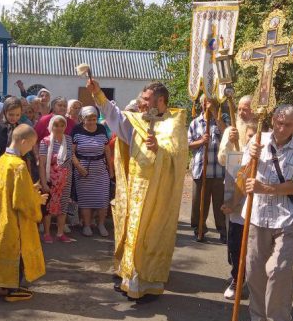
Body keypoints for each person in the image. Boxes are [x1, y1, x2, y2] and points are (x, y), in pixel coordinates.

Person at [88, 78, 188, 300]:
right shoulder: (138, 121)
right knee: (132, 233)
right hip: (135, 189)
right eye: (142, 98)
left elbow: (180, 159)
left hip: (157, 194)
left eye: (146, 99)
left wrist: (160, 150)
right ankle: (129, 280)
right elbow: (115, 117)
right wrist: (99, 95)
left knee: (150, 236)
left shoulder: (174, 123)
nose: (142, 103)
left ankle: (148, 284)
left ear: (160, 100)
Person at [241, 104, 293, 321]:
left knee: (280, 269)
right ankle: (258, 315)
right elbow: (242, 177)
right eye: (279, 123)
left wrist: (267, 189)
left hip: (287, 215)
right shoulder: (257, 139)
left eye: (288, 124)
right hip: (257, 214)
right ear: (272, 120)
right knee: (254, 268)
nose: (282, 128)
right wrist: (250, 157)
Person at [0, 124, 49, 301]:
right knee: (18, 253)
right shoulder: (19, 166)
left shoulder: (3, 160)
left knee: (5, 252)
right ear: (23, 141)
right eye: (31, 145)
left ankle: (5, 286)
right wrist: (38, 200)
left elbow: (11, 190)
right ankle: (12, 289)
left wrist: (30, 188)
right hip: (14, 220)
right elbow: (21, 201)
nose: (31, 149)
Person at [217, 95, 255, 300]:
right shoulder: (230, 131)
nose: (241, 113)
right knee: (235, 239)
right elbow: (223, 160)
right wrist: (230, 144)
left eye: (246, 109)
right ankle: (236, 277)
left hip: (255, 193)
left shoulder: (263, 132)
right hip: (234, 189)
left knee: (254, 242)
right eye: (239, 109)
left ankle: (253, 279)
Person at [188, 96, 228, 242]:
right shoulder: (195, 123)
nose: (207, 105)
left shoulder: (222, 119)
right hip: (201, 169)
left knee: (220, 203)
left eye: (210, 102)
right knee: (199, 203)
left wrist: (215, 112)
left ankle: (223, 230)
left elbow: (227, 134)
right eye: (205, 102)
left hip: (219, 170)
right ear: (200, 105)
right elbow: (187, 144)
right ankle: (199, 229)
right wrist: (201, 141)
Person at [72, 106, 112, 237]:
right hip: (83, 170)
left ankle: (101, 224)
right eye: (88, 119)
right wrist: (78, 167)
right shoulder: (77, 130)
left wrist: (110, 169)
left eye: (94, 119)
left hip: (100, 169)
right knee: (85, 200)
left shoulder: (101, 129)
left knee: (102, 199)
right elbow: (71, 152)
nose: (91, 122)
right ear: (83, 119)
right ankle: (87, 225)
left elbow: (107, 150)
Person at [39, 115, 76, 243]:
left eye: (62, 125)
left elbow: (71, 158)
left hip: (66, 179)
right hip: (51, 179)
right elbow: (42, 164)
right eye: (56, 125)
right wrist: (44, 182)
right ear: (51, 126)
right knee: (48, 207)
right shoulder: (45, 141)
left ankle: (60, 233)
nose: (59, 128)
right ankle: (47, 233)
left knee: (63, 205)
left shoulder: (69, 140)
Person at [0, 97, 23, 174]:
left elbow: (26, 154)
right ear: (4, 112)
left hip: (18, 169)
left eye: (17, 115)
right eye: (11, 114)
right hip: (1, 168)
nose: (14, 118)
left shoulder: (22, 129)